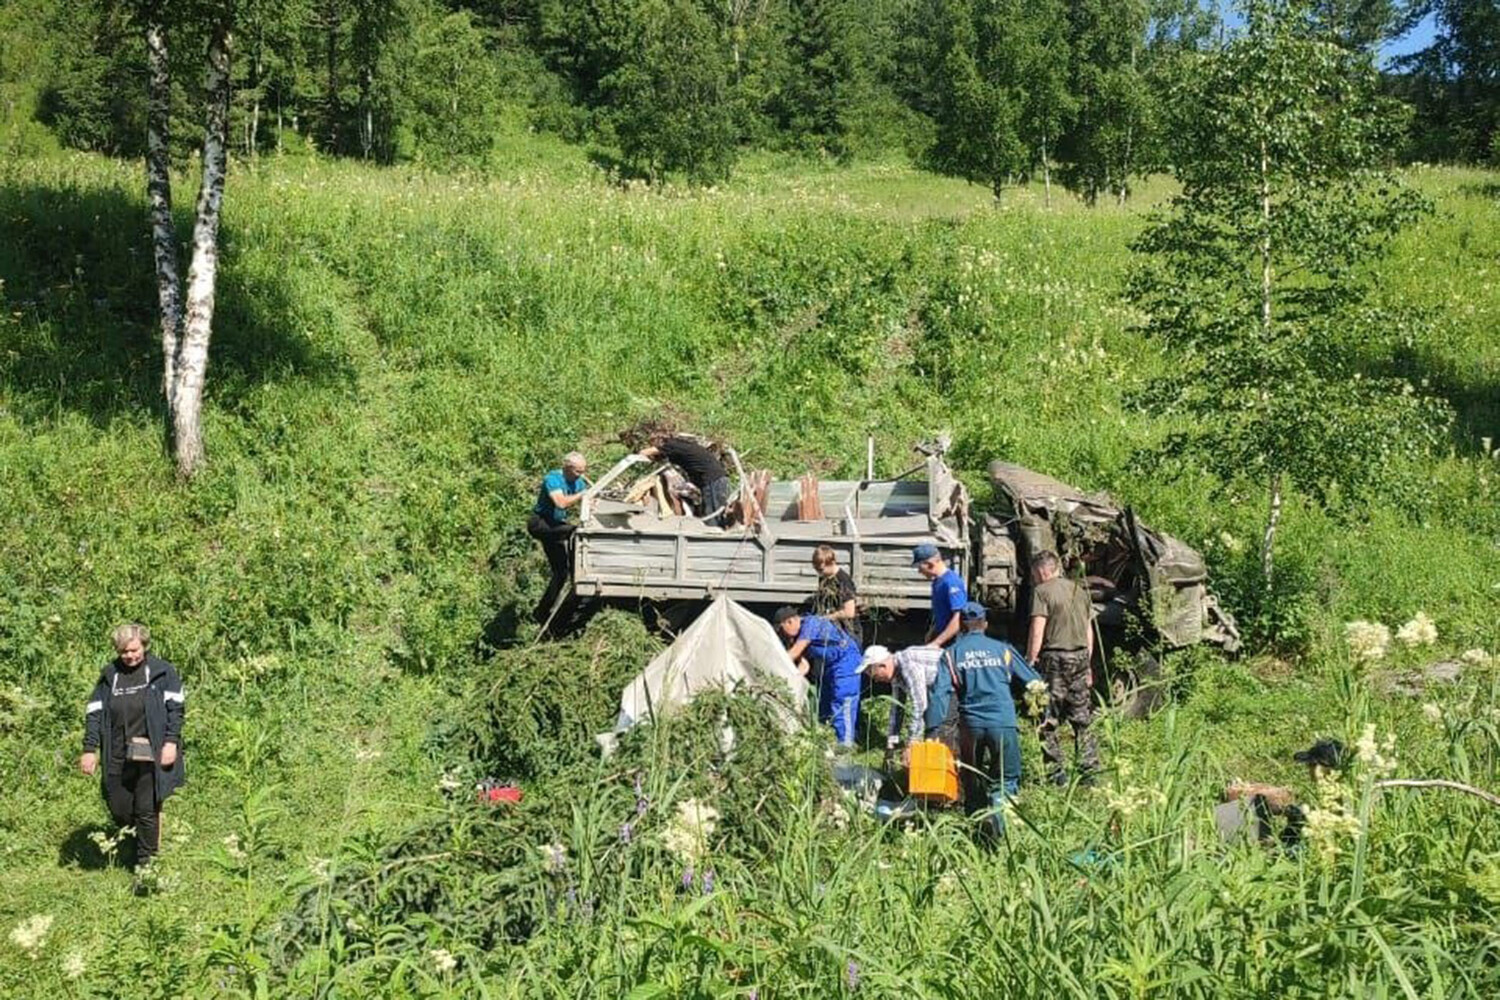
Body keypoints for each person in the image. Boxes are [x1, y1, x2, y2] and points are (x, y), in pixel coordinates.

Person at [79, 623, 185, 880]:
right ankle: (142, 836)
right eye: (124, 651)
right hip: (116, 751)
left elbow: (176, 709)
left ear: (144, 645)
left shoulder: (162, 671)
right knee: (119, 806)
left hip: (150, 751)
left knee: (146, 808)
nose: (130, 656)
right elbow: (94, 714)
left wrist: (170, 742)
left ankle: (146, 867)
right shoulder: (109, 676)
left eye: (134, 650)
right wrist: (89, 749)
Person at [925, 603, 1040, 816]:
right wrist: (1041, 711)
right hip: (1003, 723)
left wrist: (932, 730)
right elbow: (1033, 681)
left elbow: (939, 694)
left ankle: (976, 825)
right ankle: (1000, 827)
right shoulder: (1003, 650)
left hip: (971, 726)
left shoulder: (950, 655)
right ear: (985, 624)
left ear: (960, 626)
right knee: (1005, 779)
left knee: (972, 778)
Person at [1025, 550, 1099, 785]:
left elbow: (1038, 628)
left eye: (1035, 574)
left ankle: (1056, 774)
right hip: (1079, 656)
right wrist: (1088, 663)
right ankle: (1089, 772)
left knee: (1047, 717)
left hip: (1054, 659)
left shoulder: (1042, 591)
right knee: (1081, 717)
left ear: (1041, 570)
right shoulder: (1080, 591)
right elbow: (1089, 630)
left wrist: (1030, 658)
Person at [774, 606, 863, 748]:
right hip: (830, 664)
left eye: (781, 629)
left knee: (843, 701)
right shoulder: (798, 635)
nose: (783, 635)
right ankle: (827, 740)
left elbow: (794, 653)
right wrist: (790, 680)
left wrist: (773, 665)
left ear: (790, 621)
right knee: (824, 702)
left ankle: (845, 746)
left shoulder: (811, 624)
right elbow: (804, 666)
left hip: (846, 660)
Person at [528, 451, 589, 625]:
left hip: (555, 526)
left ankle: (541, 611)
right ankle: (578, 570)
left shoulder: (579, 482)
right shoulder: (553, 478)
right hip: (540, 524)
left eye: (583, 471)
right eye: (578, 471)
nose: (581, 475)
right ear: (567, 468)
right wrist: (583, 494)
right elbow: (561, 503)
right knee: (574, 532)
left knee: (560, 572)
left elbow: (588, 500)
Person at [634, 432, 732, 525]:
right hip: (715, 479)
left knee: (712, 515)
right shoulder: (679, 445)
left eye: (652, 443)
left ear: (659, 441)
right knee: (714, 513)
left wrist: (637, 455)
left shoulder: (670, 445)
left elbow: (644, 452)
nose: (653, 446)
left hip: (713, 481)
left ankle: (713, 540)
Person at [912, 543, 966, 648]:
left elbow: (958, 618)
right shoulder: (937, 582)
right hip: (942, 639)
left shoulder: (951, 583)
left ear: (929, 564)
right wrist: (932, 633)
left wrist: (937, 643)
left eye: (920, 566)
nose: (919, 571)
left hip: (953, 643)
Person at [809, 545, 861, 645]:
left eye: (821, 569)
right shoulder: (825, 578)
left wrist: (827, 617)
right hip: (833, 631)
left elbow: (849, 612)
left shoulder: (843, 581)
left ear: (832, 562)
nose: (819, 573)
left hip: (847, 633)